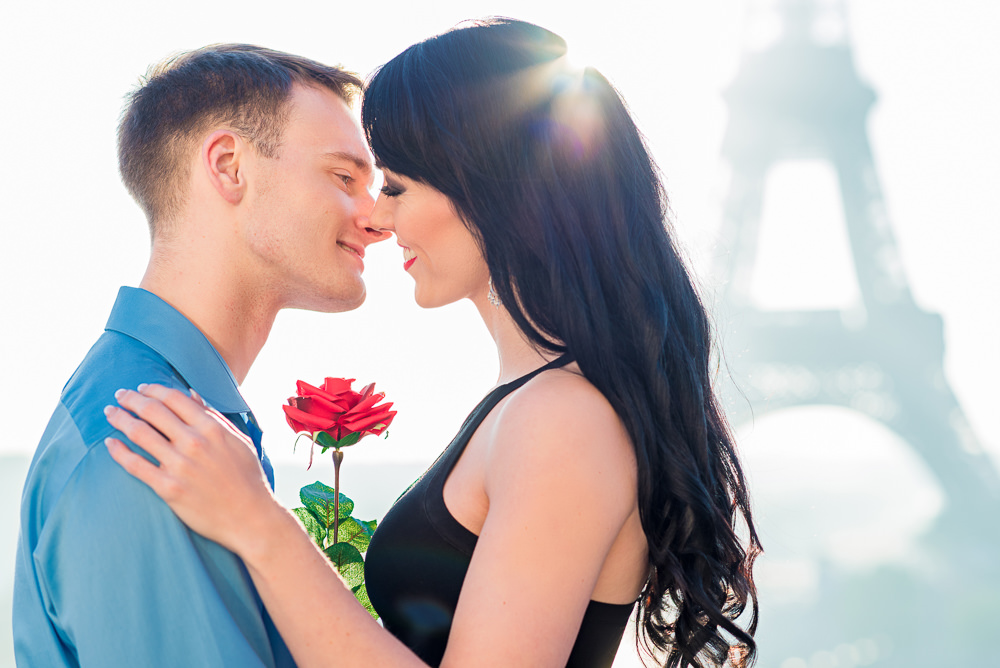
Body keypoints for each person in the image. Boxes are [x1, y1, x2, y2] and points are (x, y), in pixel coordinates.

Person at [104, 19, 762, 668]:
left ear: (488, 190)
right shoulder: (536, 404)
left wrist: (261, 525)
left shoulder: (562, 419)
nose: (380, 219)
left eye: (395, 186)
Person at [13, 44, 387, 666]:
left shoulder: (180, 423)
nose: (379, 220)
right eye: (345, 178)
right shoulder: (148, 443)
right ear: (229, 166)